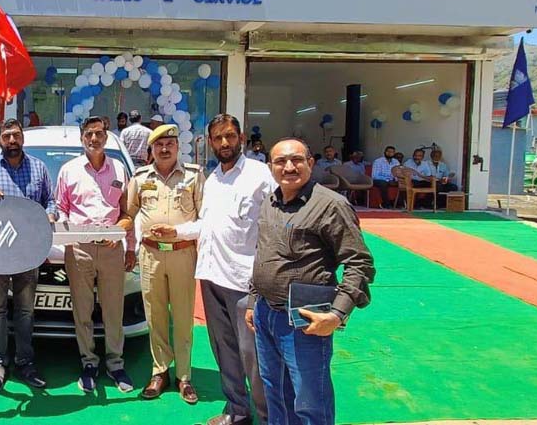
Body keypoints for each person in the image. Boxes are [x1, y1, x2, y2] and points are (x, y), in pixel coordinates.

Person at [246, 137, 375, 425]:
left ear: (311, 163)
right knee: (276, 394)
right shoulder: (270, 202)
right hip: (266, 314)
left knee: (309, 402)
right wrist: (254, 300)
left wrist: (337, 314)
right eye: (280, 161)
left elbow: (359, 263)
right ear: (271, 167)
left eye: (297, 160)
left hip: (305, 319)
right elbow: (263, 253)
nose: (288, 167)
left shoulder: (331, 205)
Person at [153, 115, 272, 425]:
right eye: (218, 138)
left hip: (245, 283)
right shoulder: (214, 179)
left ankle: (268, 417)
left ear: (241, 137)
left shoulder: (261, 176)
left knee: (254, 359)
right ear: (209, 142)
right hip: (212, 277)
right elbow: (207, 225)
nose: (224, 143)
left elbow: (274, 228)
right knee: (224, 352)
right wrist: (175, 233)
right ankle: (237, 412)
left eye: (230, 136)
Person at [0, 118, 57, 394]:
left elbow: (50, 200)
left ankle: (25, 362)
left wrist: (51, 214)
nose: (12, 141)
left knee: (26, 311)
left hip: (29, 253)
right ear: (0, 140)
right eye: (6, 136)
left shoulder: (39, 168)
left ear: (22, 139)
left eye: (16, 136)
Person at [56, 116, 136, 394]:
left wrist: (131, 246)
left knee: (114, 310)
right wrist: (67, 232)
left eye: (99, 133)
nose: (94, 139)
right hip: (79, 249)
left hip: (112, 250)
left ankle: (116, 364)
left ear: (107, 136)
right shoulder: (68, 170)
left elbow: (128, 213)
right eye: (89, 134)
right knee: (83, 310)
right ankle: (88, 363)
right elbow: (61, 209)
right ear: (82, 138)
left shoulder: (120, 170)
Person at [127, 125, 205, 404]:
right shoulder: (140, 177)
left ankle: (184, 376)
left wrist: (180, 233)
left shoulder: (194, 176)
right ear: (151, 150)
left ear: (177, 147)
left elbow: (204, 219)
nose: (164, 149)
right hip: (150, 255)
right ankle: (159, 371)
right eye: (159, 145)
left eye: (170, 143)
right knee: (155, 316)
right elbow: (129, 212)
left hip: (183, 254)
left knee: (183, 317)